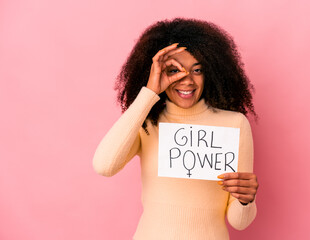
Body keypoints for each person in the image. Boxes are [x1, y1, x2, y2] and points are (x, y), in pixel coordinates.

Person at [93, 18, 259, 240]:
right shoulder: (147, 122)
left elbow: (239, 222)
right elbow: (104, 166)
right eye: (174, 70)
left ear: (210, 71)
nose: (187, 80)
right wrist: (149, 92)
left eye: (197, 69)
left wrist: (246, 200)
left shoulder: (234, 124)